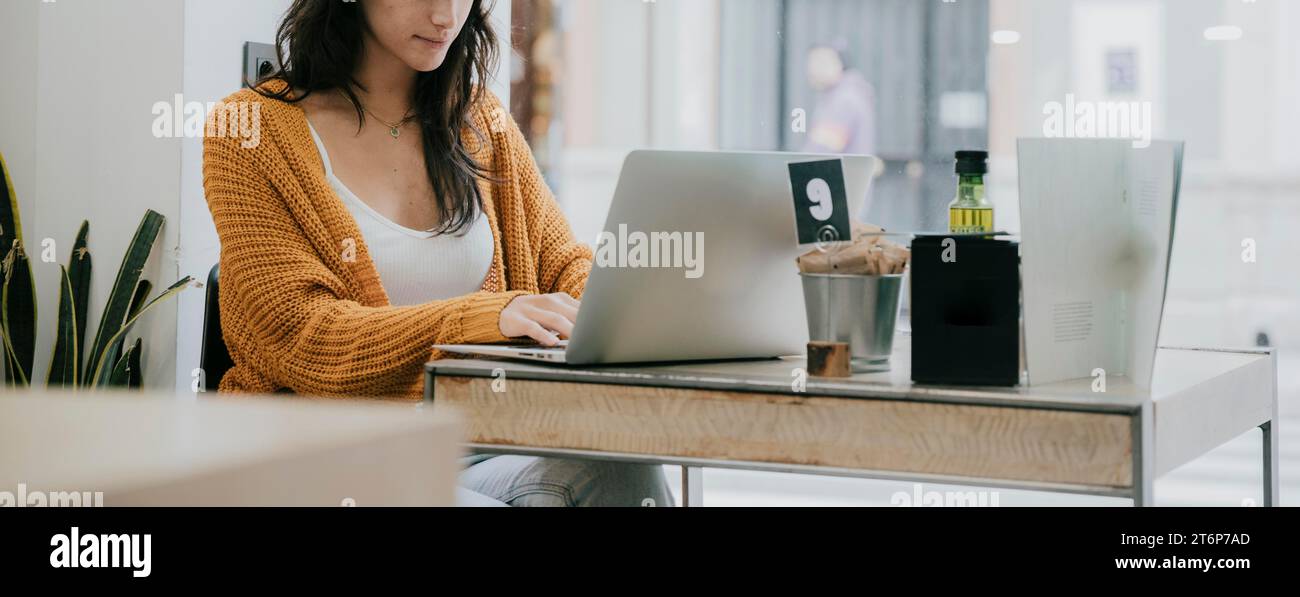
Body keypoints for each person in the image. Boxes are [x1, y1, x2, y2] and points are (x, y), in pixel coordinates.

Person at [202, 0, 672, 507]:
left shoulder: (480, 119)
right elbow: (304, 336)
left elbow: (562, 265)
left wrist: (625, 313)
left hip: (478, 445)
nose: (447, 16)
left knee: (625, 470)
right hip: (320, 456)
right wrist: (485, 317)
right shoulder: (247, 129)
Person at [804, 44, 877, 156]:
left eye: (822, 62)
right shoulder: (848, 94)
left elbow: (819, 154)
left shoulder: (843, 100)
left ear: (841, 64)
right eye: (811, 62)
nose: (813, 69)